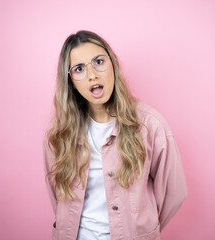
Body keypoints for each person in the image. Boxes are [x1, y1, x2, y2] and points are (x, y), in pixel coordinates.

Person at [43, 30, 188, 240]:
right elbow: (56, 194)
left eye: (99, 62)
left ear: (113, 64)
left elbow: (174, 193)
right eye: (79, 68)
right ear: (71, 80)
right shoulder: (58, 132)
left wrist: (142, 230)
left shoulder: (150, 125)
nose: (92, 74)